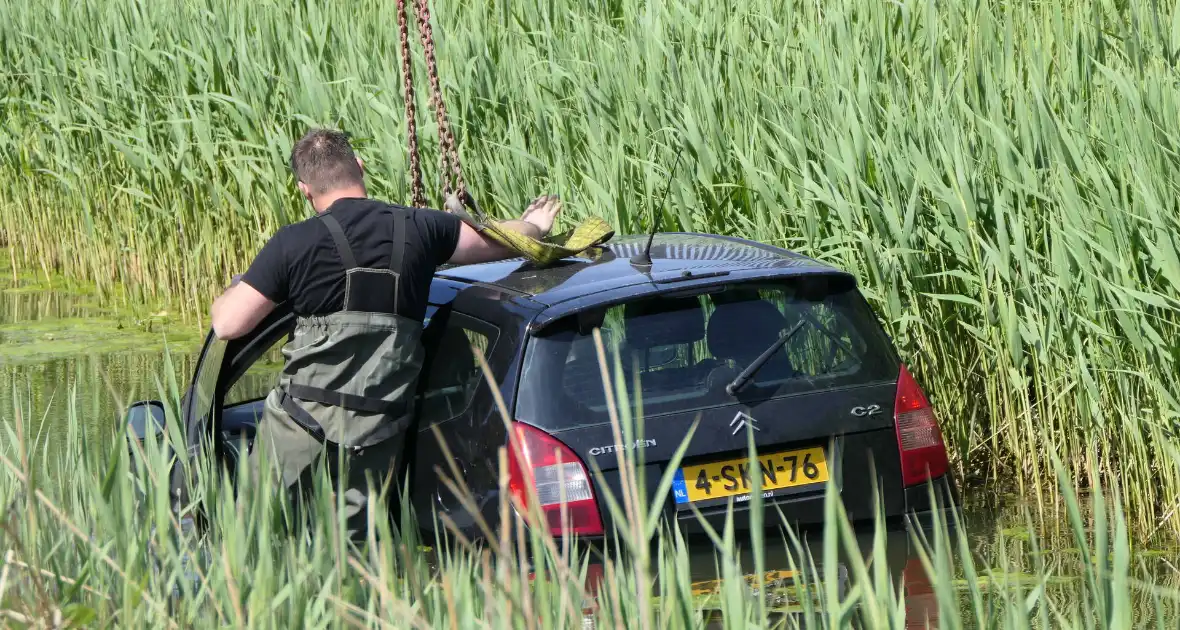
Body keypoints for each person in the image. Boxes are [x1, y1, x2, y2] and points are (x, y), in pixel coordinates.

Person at [209, 128, 561, 536]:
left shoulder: (293, 243)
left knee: (250, 536)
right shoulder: (422, 228)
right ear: (360, 168)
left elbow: (228, 324)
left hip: (299, 427)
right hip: (376, 433)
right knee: (355, 555)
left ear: (305, 190)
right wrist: (535, 225)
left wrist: (236, 286)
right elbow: (500, 241)